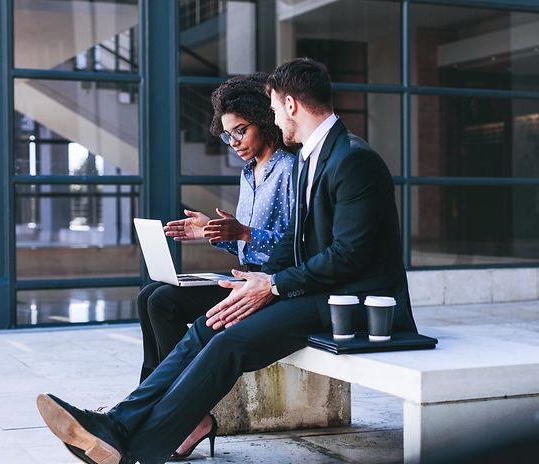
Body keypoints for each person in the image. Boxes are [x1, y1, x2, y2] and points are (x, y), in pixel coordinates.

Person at [36, 58, 417, 464]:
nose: (270, 117)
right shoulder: (313, 156)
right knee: (208, 325)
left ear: (290, 105)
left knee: (227, 342)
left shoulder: (352, 159)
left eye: (270, 109)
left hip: (355, 305)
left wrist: (270, 284)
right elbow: (298, 242)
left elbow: (349, 256)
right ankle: (117, 424)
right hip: (313, 290)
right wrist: (258, 277)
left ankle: (135, 452)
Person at [135, 73, 294, 459]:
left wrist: (242, 232)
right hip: (244, 276)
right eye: (227, 135)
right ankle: (169, 408)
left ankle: (178, 413)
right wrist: (211, 231)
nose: (234, 142)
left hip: (273, 286)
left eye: (240, 131)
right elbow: (245, 245)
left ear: (266, 118)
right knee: (151, 296)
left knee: (162, 302)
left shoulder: (290, 169)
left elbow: (296, 245)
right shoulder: (249, 172)